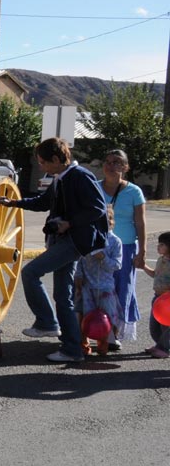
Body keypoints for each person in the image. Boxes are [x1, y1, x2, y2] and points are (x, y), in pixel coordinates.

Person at [0, 137, 108, 363]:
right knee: (62, 296)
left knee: (30, 272)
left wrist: (70, 223)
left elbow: (97, 208)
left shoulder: (80, 176)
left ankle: (47, 323)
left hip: (74, 241)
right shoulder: (60, 178)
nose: (41, 166)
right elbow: (42, 202)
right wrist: (14, 203)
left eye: (43, 162)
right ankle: (72, 350)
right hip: (64, 240)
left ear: (56, 159)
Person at [98, 149, 146, 350]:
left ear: (125, 168)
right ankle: (97, 330)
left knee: (122, 290)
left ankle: (113, 334)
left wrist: (142, 251)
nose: (110, 165)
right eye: (107, 161)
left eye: (116, 162)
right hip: (98, 247)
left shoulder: (134, 191)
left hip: (125, 247)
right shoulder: (94, 188)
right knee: (99, 289)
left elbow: (140, 222)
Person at [75, 207, 123, 354]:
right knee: (84, 314)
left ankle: (103, 344)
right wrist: (78, 276)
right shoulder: (89, 238)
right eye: (101, 219)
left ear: (112, 222)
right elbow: (79, 259)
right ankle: (83, 344)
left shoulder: (115, 241)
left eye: (108, 219)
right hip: (87, 286)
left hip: (105, 287)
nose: (105, 222)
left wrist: (104, 258)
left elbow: (117, 265)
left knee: (106, 317)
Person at [143, 231, 170, 359]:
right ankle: (159, 345)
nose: (158, 247)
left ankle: (166, 349)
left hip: (167, 301)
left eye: (162, 245)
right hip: (157, 298)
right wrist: (144, 267)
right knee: (154, 326)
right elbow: (155, 274)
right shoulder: (161, 259)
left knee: (166, 326)